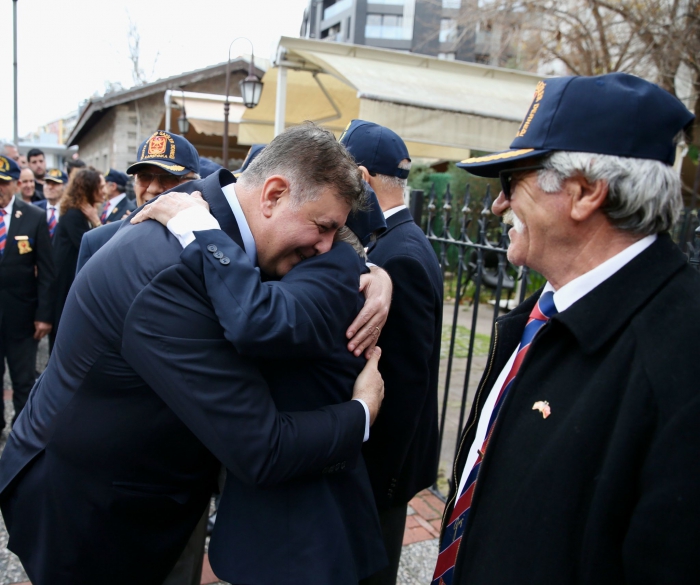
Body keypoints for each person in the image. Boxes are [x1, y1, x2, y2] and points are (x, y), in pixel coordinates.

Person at [0, 124, 389, 585]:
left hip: (146, 486)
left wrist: (374, 273)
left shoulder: (213, 218)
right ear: (273, 194)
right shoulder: (170, 271)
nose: (326, 246)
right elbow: (262, 447)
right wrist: (361, 412)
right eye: (323, 227)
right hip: (92, 514)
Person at [430, 72, 700, 585]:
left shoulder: (680, 361)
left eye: (512, 182)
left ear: (583, 193)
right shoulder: (543, 315)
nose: (498, 204)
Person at [338, 120, 444, 585]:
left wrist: (381, 485)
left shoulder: (398, 254)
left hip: (381, 472)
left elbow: (406, 382)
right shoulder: (397, 240)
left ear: (360, 178)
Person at [75, 131, 201, 272]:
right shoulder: (98, 241)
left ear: (195, 183)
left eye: (169, 177)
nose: (153, 188)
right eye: (144, 176)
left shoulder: (209, 242)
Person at [0, 155, 54, 427]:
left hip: (21, 316)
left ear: (16, 184)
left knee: (22, 380)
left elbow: (46, 271)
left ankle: (20, 433)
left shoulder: (33, 216)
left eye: (3, 183)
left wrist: (44, 314)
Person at [49, 168, 103, 348]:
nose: (103, 191)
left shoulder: (80, 212)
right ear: (89, 188)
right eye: (99, 187)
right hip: (64, 282)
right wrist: (96, 221)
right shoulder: (74, 214)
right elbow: (94, 247)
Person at [34, 169, 68, 239]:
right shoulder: (35, 208)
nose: (50, 187)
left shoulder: (70, 210)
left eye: (55, 184)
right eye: (47, 183)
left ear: (65, 187)